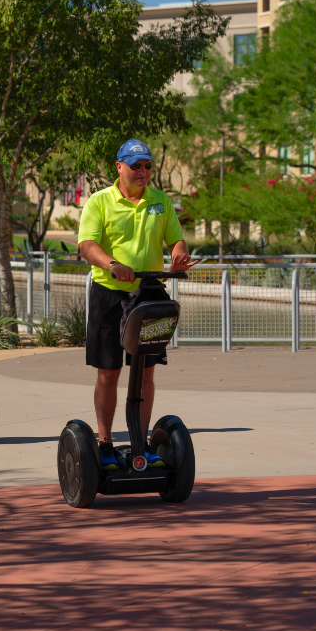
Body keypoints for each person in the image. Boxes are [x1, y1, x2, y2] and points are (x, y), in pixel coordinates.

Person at [77, 138, 196, 470]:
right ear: (120, 167)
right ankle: (104, 444)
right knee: (109, 373)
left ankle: (142, 443)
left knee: (145, 373)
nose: (143, 171)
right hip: (109, 294)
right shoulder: (100, 201)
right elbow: (86, 246)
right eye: (136, 165)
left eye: (147, 166)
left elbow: (176, 238)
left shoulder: (160, 201)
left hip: (149, 293)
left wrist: (178, 255)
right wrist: (112, 263)